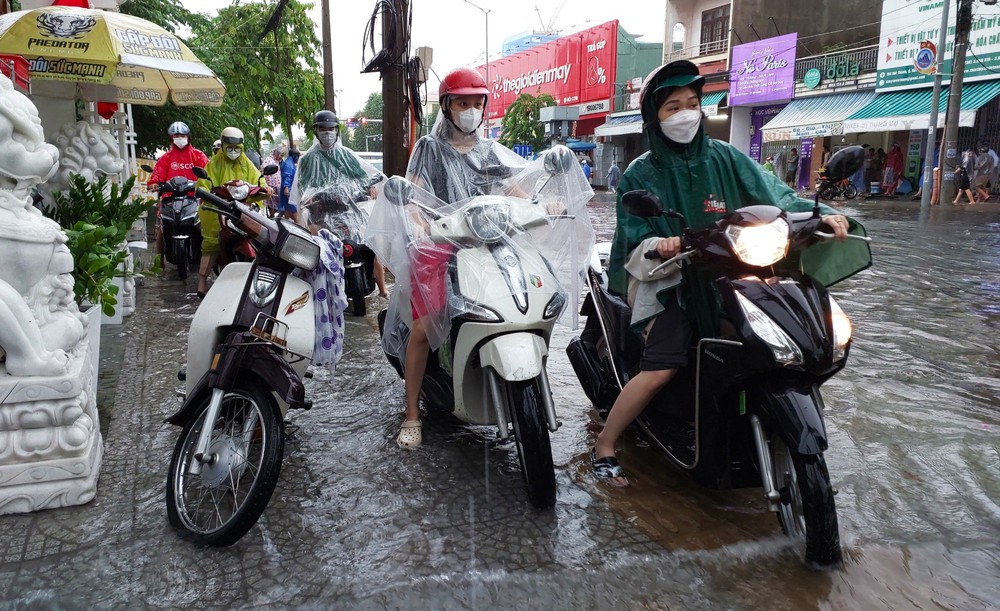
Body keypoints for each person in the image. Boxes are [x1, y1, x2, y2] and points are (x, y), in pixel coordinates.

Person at [593, 60, 855, 487]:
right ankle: (605, 443)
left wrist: (820, 215)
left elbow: (776, 194)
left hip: (733, 272)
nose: (685, 114)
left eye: (692, 104)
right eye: (672, 107)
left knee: (782, 341)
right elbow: (632, 230)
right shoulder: (641, 172)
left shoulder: (727, 157)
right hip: (672, 280)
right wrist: (661, 242)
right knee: (661, 368)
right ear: (654, 118)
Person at [394, 66, 529, 449]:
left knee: (520, 304)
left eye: (476, 103)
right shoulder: (429, 148)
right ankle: (412, 414)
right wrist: (420, 222)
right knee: (424, 329)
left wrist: (539, 204)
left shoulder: (489, 151)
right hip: (440, 244)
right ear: (447, 106)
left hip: (487, 245)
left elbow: (515, 187)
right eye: (462, 103)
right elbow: (415, 194)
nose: (470, 110)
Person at [290, 109, 387, 296]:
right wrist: (308, 198)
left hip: (347, 209)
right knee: (316, 252)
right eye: (323, 129)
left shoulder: (346, 154)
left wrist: (370, 187)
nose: (327, 133)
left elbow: (361, 175)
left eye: (331, 128)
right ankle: (315, 290)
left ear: (337, 130)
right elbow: (303, 187)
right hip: (321, 211)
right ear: (316, 131)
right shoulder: (308, 159)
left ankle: (383, 290)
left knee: (373, 245)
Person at [195, 127, 265, 298]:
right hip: (219, 208)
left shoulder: (247, 164)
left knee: (262, 239)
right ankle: (202, 281)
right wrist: (208, 192)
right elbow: (203, 183)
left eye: (237, 148)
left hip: (243, 208)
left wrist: (265, 188)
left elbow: (258, 179)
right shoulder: (213, 164)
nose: (233, 152)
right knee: (210, 243)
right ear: (224, 145)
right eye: (230, 147)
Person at [146, 121, 209, 266]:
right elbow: (157, 174)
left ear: (188, 137)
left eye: (182, 135)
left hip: (193, 198)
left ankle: (208, 257)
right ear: (171, 138)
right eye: (176, 135)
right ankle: (159, 260)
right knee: (162, 228)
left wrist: (208, 184)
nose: (179, 138)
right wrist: (154, 183)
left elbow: (208, 172)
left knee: (204, 227)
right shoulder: (166, 158)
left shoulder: (198, 156)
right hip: (170, 198)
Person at [278, 148, 300, 218]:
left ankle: (286, 223)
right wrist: (287, 187)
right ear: (295, 156)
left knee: (287, 207)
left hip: (287, 187)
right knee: (294, 208)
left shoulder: (288, 162)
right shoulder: (289, 164)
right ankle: (299, 226)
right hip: (288, 189)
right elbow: (287, 176)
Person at [262, 148, 283, 217]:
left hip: (277, 185)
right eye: (280, 155)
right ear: (276, 154)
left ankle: (276, 217)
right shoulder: (268, 160)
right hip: (270, 185)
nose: (281, 157)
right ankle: (272, 217)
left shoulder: (277, 161)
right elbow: (264, 172)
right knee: (271, 203)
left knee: (277, 203)